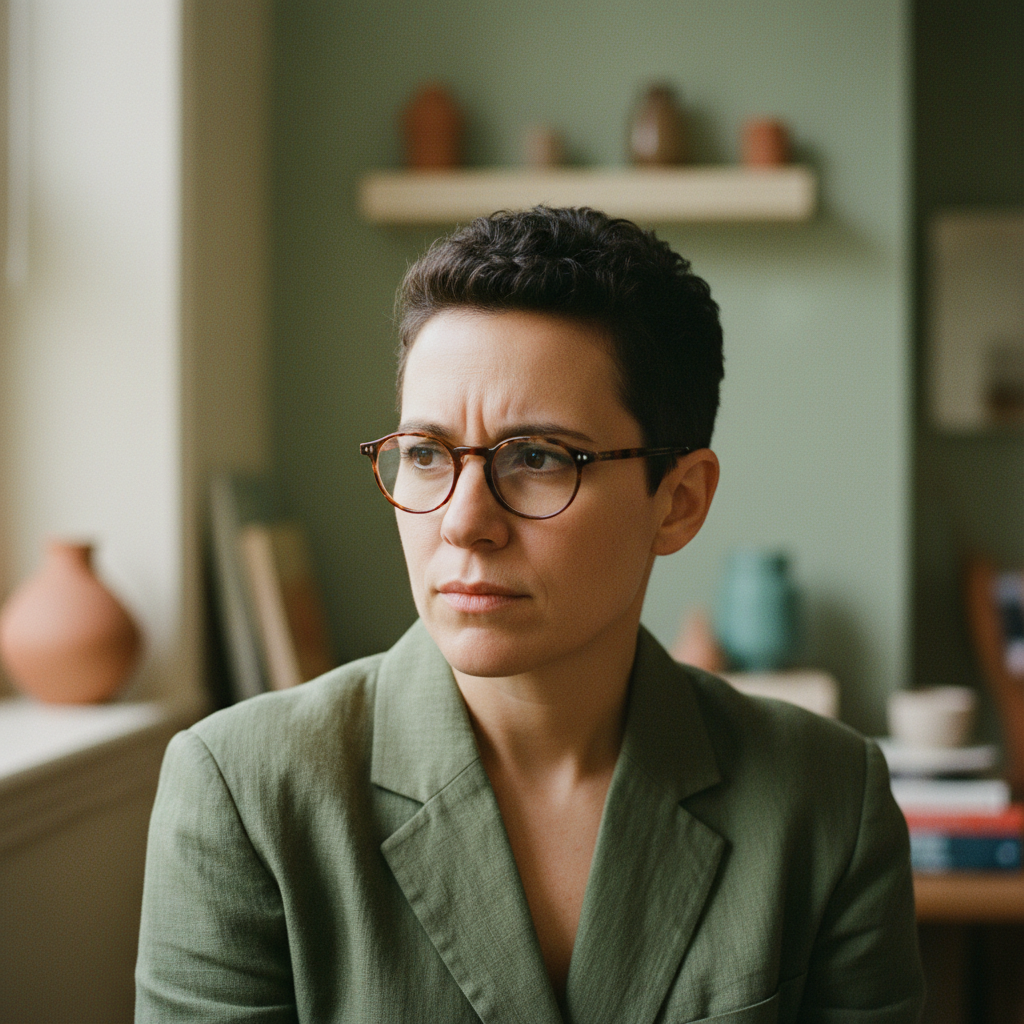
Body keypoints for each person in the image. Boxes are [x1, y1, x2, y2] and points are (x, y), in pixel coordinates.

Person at [135, 207, 924, 1023]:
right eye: (427, 454)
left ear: (678, 503)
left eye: (538, 458)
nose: (463, 520)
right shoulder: (243, 794)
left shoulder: (828, 801)